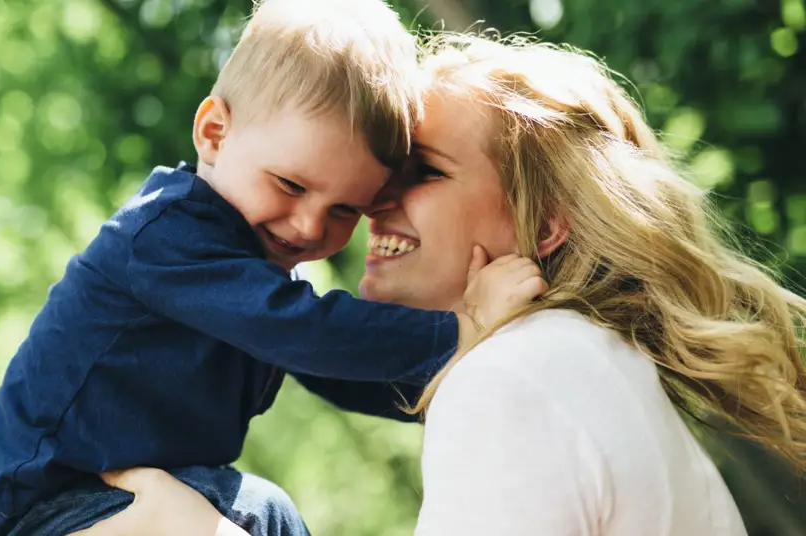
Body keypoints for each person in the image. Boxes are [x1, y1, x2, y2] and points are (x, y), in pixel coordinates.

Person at [88, 30, 806, 536]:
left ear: (545, 225)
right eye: (378, 175)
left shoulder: (513, 380)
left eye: (422, 172)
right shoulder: (590, 360)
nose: (369, 202)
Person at [0, 2, 549, 534]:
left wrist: (453, 387)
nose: (308, 227)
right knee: (263, 515)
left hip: (128, 490)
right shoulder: (165, 237)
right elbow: (309, 331)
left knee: (265, 513)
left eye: (345, 209)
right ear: (214, 133)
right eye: (291, 185)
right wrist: (461, 328)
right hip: (46, 500)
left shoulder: (257, 274)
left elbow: (339, 370)